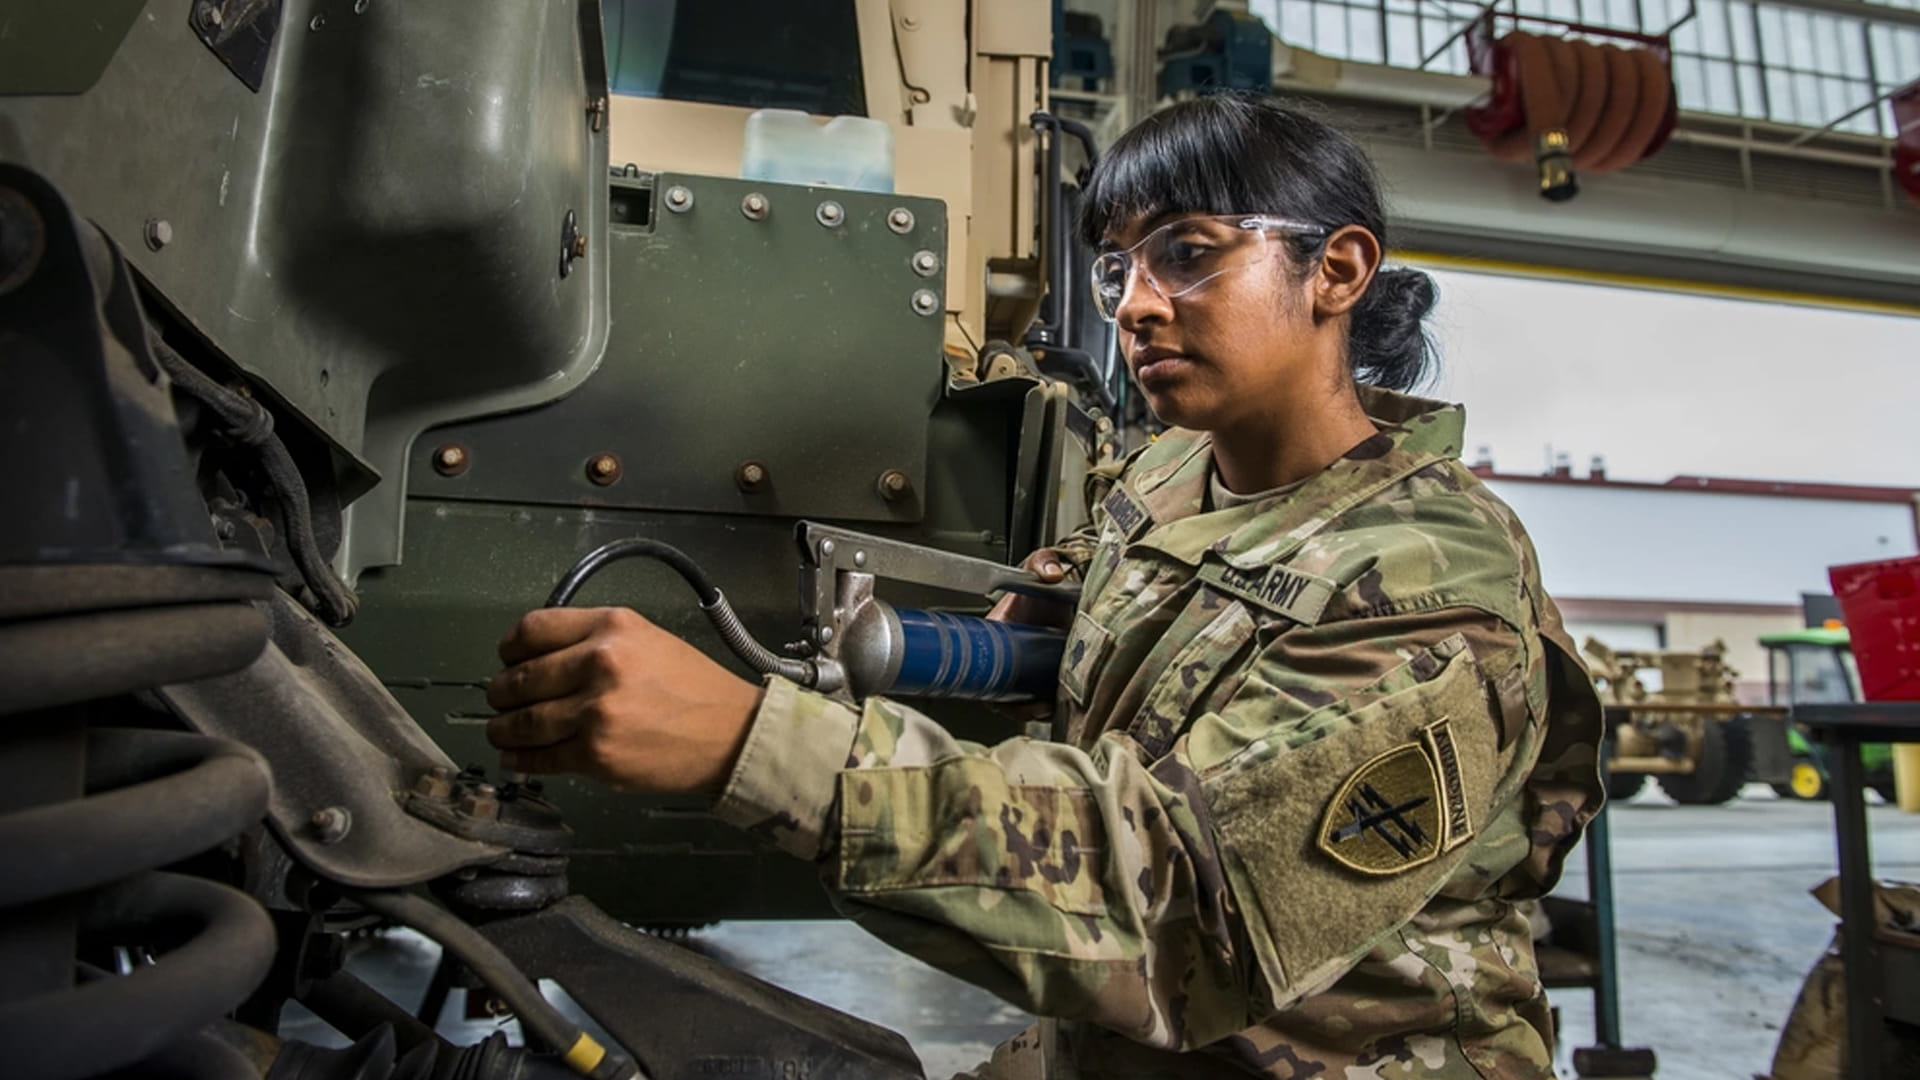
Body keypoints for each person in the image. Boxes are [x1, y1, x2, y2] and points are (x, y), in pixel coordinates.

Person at [484, 92, 1604, 1078]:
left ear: (1338, 271)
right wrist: (1057, 602)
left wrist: (749, 742)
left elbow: (1180, 908)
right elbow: (1135, 582)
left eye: (1190, 252)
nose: (1135, 305)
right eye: (1118, 267)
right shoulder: (1176, 471)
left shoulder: (1428, 579)